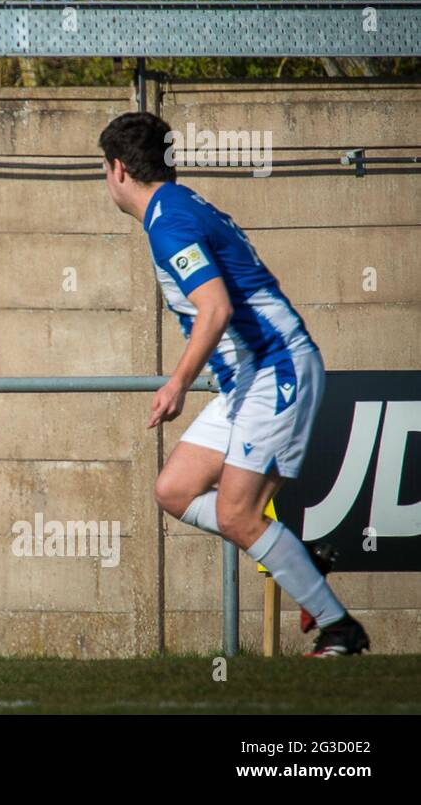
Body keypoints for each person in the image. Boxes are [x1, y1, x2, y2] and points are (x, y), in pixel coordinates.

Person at [99, 111, 368, 657]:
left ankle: (340, 629)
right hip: (251, 377)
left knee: (236, 514)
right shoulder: (179, 205)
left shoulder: (168, 221)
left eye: (103, 169)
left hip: (277, 369)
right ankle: (294, 556)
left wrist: (176, 383)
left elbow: (215, 308)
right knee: (173, 491)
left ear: (118, 169)